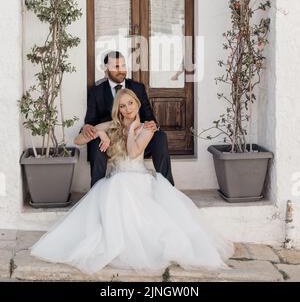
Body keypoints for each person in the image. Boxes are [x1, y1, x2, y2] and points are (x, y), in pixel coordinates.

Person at [30, 89, 234, 274]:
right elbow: (78, 140)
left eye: (130, 103)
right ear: (117, 109)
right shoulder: (112, 125)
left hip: (138, 179)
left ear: (137, 104)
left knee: (124, 193)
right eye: (122, 105)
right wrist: (101, 133)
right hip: (116, 178)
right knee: (114, 190)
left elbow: (134, 151)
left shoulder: (147, 128)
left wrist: (131, 130)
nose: (127, 109)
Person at [83, 51, 174, 187]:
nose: (121, 70)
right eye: (116, 67)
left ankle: (168, 187)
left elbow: (149, 117)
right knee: (96, 143)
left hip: (137, 138)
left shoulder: (138, 87)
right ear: (106, 68)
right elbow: (90, 121)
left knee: (160, 137)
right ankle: (96, 190)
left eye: (124, 65)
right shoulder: (96, 91)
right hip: (111, 142)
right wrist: (88, 128)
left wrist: (152, 125)